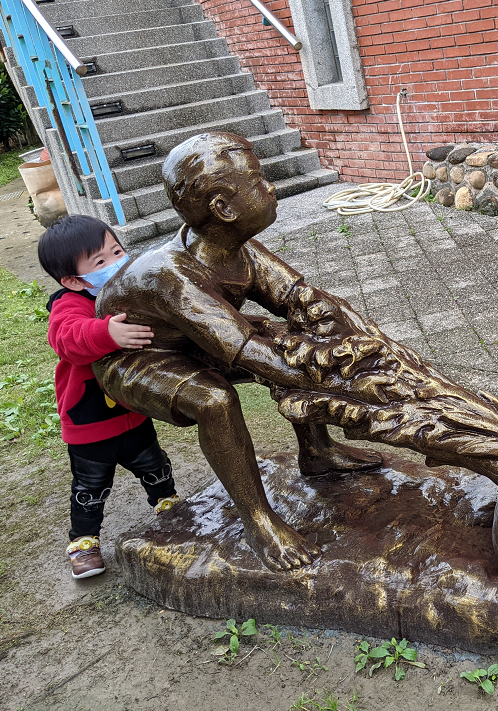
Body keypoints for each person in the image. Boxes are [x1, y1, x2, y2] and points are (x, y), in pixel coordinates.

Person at [92, 132, 384, 573]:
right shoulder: (169, 273)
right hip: (137, 356)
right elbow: (244, 350)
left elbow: (306, 300)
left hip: (200, 336)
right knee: (215, 399)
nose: (270, 187)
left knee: (291, 335)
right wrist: (344, 382)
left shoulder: (238, 248)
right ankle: (259, 520)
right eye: (259, 180)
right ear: (223, 209)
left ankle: (317, 451)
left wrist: (367, 345)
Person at [37, 215, 180, 579]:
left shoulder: (128, 290)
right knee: (90, 488)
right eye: (100, 262)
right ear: (73, 279)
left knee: (154, 466)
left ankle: (169, 506)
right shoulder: (70, 303)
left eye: (117, 251)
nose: (115, 262)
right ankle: (83, 541)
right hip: (90, 422)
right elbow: (67, 339)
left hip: (133, 413)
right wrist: (107, 333)